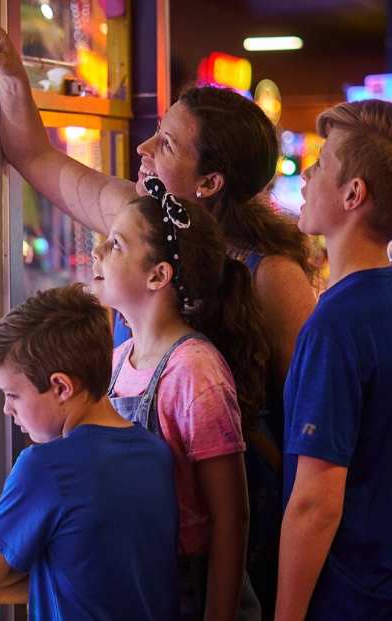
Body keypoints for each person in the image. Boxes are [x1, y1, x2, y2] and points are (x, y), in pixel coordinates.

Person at [0, 0, 316, 611]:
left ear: (209, 184)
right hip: (146, 545)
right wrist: (14, 76)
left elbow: (315, 426)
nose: (144, 149)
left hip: (229, 543)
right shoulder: (141, 221)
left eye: (168, 143)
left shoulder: (271, 276)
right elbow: (37, 158)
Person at [275, 100, 392, 621]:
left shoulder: (337, 324)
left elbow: (316, 505)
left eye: (322, 162)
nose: (306, 174)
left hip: (358, 599)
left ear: (354, 193)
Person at [0, 284, 180, 620]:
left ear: (61, 387)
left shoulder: (45, 468)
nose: (7, 409)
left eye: (13, 395)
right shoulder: (155, 454)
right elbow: (82, 579)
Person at [91, 184, 267, 621]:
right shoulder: (115, 362)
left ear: (158, 276)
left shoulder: (194, 371)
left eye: (116, 244)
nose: (98, 250)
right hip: (138, 575)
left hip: (190, 587)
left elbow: (232, 519)